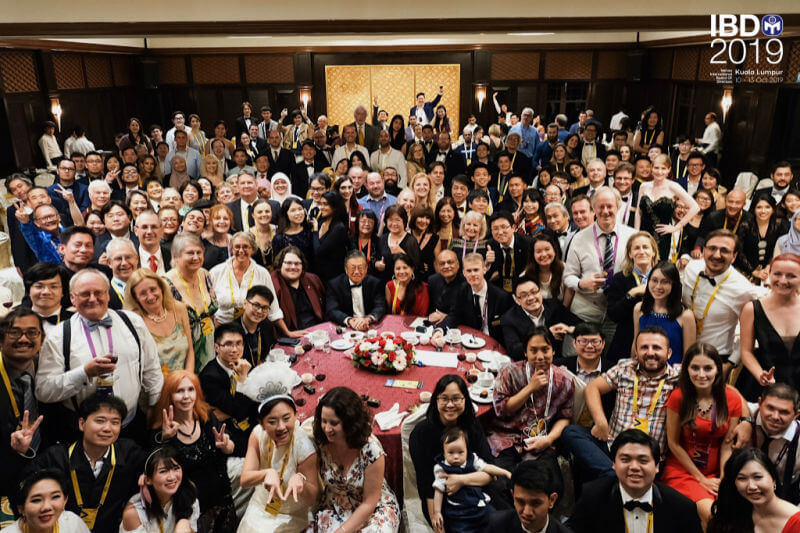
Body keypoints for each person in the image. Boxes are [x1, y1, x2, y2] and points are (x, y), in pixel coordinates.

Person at [35, 269, 164, 442]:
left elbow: (152, 369)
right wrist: (84, 373)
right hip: (82, 433)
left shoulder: (133, 322)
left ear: (108, 294)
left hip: (132, 426)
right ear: (73, 298)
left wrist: (155, 411)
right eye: (85, 294)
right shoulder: (58, 336)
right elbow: (43, 390)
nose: (93, 298)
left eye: (98, 292)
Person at [562, 327, 680, 481]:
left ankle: (614, 477)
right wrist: (600, 421)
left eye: (657, 347)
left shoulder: (678, 377)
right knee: (570, 432)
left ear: (669, 353)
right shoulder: (625, 368)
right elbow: (592, 388)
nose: (650, 352)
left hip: (648, 456)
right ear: (636, 352)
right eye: (644, 347)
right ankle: (615, 475)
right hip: (612, 447)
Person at [31, 395, 146, 532]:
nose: (108, 428)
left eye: (115, 422)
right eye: (100, 421)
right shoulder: (56, 456)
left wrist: (165, 439)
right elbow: (24, 485)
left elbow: (158, 467)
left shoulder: (129, 454)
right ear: (82, 424)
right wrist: (21, 452)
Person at [661, 342, 741, 527]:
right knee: (714, 516)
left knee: (730, 514)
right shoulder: (678, 397)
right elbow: (673, 443)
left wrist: (724, 479)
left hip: (715, 473)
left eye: (708, 368)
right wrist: (700, 479)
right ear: (686, 369)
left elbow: (727, 445)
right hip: (683, 472)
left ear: (717, 370)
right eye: (695, 368)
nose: (701, 374)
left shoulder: (732, 398)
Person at [410, 375, 507, 525]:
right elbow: (426, 486)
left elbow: (490, 474)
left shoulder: (472, 425)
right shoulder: (421, 434)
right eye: (444, 399)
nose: (450, 405)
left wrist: (461, 480)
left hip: (478, 490)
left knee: (506, 522)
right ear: (436, 400)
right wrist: (437, 524)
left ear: (465, 400)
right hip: (440, 499)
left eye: (456, 399)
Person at [568, 429, 702, 533]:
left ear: (657, 466)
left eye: (643, 460)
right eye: (625, 460)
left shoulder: (682, 507)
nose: (634, 467)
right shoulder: (592, 497)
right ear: (614, 464)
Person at [152, 371, 237, 531]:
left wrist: (227, 446)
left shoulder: (206, 418)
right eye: (179, 391)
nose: (186, 396)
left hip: (221, 498)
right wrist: (164, 439)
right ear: (169, 395)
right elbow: (157, 471)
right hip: (190, 510)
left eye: (190, 390)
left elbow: (230, 446)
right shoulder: (161, 431)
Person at [311, 386, 400, 532]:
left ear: (350, 422)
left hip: (373, 508)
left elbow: (369, 503)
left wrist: (343, 530)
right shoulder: (321, 442)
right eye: (323, 421)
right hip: (335, 505)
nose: (326, 429)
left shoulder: (371, 449)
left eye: (334, 423)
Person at [237, 383, 318, 533]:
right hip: (261, 504)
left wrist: (301, 481)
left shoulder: (303, 446)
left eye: (286, 418)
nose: (281, 427)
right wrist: (266, 473)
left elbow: (313, 498)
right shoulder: (257, 435)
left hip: (292, 513)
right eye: (272, 422)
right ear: (261, 423)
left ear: (295, 415)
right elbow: (245, 480)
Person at [564, 187, 637, 343]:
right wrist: (581, 283)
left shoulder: (632, 236)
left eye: (609, 206)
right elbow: (568, 276)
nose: (605, 211)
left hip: (618, 310)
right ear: (594, 209)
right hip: (585, 309)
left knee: (610, 361)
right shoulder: (579, 238)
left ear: (617, 207)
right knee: (578, 358)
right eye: (600, 207)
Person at [683, 229, 759, 375]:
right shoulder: (691, 268)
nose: (717, 255)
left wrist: (730, 364)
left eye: (724, 250)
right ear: (703, 250)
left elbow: (752, 331)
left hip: (715, 359)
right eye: (712, 248)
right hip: (682, 351)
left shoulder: (743, 289)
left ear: (734, 256)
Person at [738, 253, 800, 401]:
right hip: (763, 386)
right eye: (777, 274)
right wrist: (760, 374)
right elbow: (746, 351)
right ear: (769, 275)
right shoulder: (752, 309)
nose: (783, 280)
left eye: (791, 276)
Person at [0, 308, 45, 500]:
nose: (24, 339)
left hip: (44, 469)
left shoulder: (51, 368)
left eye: (32, 332)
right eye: (14, 332)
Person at [431, 426, 511, 533]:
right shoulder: (441, 469)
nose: (456, 457)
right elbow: (438, 491)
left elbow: (487, 467)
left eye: (460, 452)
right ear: (444, 453)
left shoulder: (472, 459)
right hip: (459, 514)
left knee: (496, 521)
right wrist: (437, 512)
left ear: (466, 450)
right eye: (450, 452)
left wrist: (505, 472)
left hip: (480, 506)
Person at [707, 448, 800, 533]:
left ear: (773, 479)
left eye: (757, 477)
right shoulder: (736, 511)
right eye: (742, 478)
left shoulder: (796, 522)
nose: (751, 486)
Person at [199, 322, 256, 457]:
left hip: (250, 422)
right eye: (228, 344)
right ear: (217, 347)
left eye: (238, 343)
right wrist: (242, 379)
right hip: (228, 433)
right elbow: (239, 411)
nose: (235, 349)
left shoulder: (245, 364)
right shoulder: (209, 377)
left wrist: (233, 410)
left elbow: (256, 401)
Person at [165, 233, 219, 373]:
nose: (196, 257)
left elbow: (212, 314)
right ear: (176, 256)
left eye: (199, 252)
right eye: (190, 253)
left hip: (208, 344)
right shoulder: (165, 284)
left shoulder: (205, 274)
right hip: (180, 350)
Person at [125, 268, 194, 374]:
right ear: (136, 298)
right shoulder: (134, 322)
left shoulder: (179, 309)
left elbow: (190, 351)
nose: (150, 296)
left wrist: (187, 378)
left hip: (183, 384)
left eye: (153, 289)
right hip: (154, 388)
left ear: (161, 288)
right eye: (143, 293)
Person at [209, 232, 283, 327]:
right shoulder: (216, 272)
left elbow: (273, 308)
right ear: (231, 249)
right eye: (237, 247)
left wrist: (287, 333)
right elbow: (207, 305)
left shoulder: (262, 273)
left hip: (253, 329)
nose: (241, 250)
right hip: (222, 329)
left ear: (252, 249)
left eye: (245, 247)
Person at [603, 231, 658, 361]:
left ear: (653, 252)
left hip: (658, 341)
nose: (641, 251)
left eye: (646, 247)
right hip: (626, 342)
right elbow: (613, 315)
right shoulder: (620, 279)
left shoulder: (664, 277)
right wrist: (632, 293)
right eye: (636, 248)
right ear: (630, 254)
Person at [634, 154, 700, 262]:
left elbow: (695, 207)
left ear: (669, 170)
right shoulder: (644, 186)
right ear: (651, 168)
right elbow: (638, 212)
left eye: (663, 168)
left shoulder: (673, 187)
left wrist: (676, 227)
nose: (659, 172)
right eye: (656, 168)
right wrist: (636, 233)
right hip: (643, 235)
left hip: (662, 237)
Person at [742, 383, 800, 503]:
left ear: (796, 415)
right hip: (739, 492)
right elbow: (725, 390)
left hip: (784, 497)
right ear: (759, 403)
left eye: (784, 412)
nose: (775, 416)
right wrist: (745, 420)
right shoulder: (744, 412)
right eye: (770, 408)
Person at [120, 447, 199, 533]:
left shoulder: (188, 498)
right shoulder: (134, 513)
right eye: (163, 471)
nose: (172, 477)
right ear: (148, 479)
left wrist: (185, 523)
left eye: (176, 468)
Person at [633, 261, 697, 364]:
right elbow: (635, 347)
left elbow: (689, 358)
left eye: (665, 282)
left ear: (674, 285)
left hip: (672, 375)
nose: (658, 286)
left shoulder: (686, 315)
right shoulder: (639, 309)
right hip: (643, 373)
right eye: (654, 280)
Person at [439, 253, 512, 342]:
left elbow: (507, 327)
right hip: (470, 340)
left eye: (476, 270)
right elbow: (454, 316)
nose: (472, 274)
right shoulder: (462, 290)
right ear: (464, 273)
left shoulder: (501, 297)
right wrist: (439, 330)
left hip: (495, 342)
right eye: (469, 271)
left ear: (484, 269)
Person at [501, 279, 579, 361]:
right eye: (524, 295)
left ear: (540, 292)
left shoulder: (554, 306)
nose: (531, 298)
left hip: (557, 360)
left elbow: (581, 325)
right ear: (517, 300)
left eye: (534, 292)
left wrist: (570, 329)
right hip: (529, 363)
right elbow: (514, 350)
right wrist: (547, 336)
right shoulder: (509, 319)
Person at [487, 459, 573, 533]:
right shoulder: (496, 525)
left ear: (552, 500)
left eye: (535, 503)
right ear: (513, 495)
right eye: (520, 502)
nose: (527, 512)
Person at [2, 468, 90, 533]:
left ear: (65, 500)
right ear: (21, 508)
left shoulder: (73, 523)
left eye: (55, 497)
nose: (47, 507)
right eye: (36, 500)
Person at [325, 250, 386, 331]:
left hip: (370, 326)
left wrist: (367, 319)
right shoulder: (335, 285)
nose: (357, 272)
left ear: (366, 268)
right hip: (347, 328)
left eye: (360, 268)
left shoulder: (374, 283)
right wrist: (350, 321)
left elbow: (380, 306)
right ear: (346, 270)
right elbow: (332, 310)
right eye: (353, 268)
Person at [270, 247, 325, 335]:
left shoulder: (312, 279)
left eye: (297, 263)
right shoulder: (273, 282)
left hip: (317, 332)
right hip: (290, 336)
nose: (293, 267)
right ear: (280, 264)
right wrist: (289, 333)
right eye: (288, 263)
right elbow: (272, 313)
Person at [744, 193, 787, 283]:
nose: (763, 211)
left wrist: (769, 266)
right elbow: (739, 252)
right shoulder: (745, 225)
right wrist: (754, 271)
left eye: (767, 207)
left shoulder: (780, 225)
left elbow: (782, 249)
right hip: (748, 269)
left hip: (772, 268)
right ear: (754, 209)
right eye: (759, 207)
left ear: (773, 209)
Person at [25, 262, 72, 335]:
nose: (46, 292)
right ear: (29, 290)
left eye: (54, 287)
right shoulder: (15, 320)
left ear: (63, 291)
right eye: (39, 286)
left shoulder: (75, 321)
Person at [313, 191, 351, 282]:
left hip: (332, 278)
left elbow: (319, 251)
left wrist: (315, 231)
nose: (322, 207)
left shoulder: (339, 228)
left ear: (335, 206)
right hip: (318, 274)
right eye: (321, 204)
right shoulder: (321, 221)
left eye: (325, 204)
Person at [378, 205, 421, 279]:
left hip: (405, 283)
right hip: (385, 282)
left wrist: (402, 253)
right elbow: (377, 258)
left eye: (398, 220)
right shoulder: (383, 238)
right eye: (390, 220)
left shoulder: (411, 241)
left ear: (404, 221)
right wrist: (377, 264)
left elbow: (418, 267)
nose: (394, 224)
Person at [105, 238, 139, 310]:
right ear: (109, 263)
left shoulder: (150, 288)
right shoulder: (104, 294)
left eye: (128, 257)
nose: (124, 263)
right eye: (118, 258)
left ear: (137, 259)